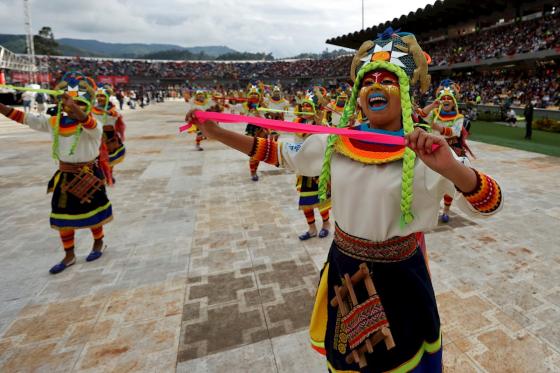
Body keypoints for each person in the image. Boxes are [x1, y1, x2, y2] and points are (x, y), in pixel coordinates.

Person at [187, 28, 503, 372]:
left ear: (407, 93)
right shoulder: (336, 143)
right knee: (349, 361)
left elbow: (490, 203)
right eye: (368, 81)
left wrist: (452, 169)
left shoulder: (424, 151)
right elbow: (276, 152)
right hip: (345, 268)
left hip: (399, 278)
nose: (376, 87)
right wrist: (217, 133)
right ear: (358, 93)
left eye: (389, 80)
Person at [0, 72, 112, 274]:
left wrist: (74, 107)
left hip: (89, 173)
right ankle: (69, 255)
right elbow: (25, 117)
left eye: (77, 104)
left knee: (94, 212)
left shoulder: (94, 126)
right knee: (62, 216)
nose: (69, 108)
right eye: (67, 104)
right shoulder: (54, 122)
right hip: (65, 175)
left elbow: (86, 121)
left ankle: (98, 243)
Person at [418, 79, 474, 223]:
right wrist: (432, 105)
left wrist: (439, 128)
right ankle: (430, 208)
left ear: (454, 102)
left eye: (449, 98)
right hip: (431, 150)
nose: (446, 100)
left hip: (451, 151)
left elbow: (455, 132)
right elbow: (421, 115)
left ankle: (446, 210)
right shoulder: (434, 113)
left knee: (449, 181)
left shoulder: (459, 117)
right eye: (443, 98)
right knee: (428, 181)